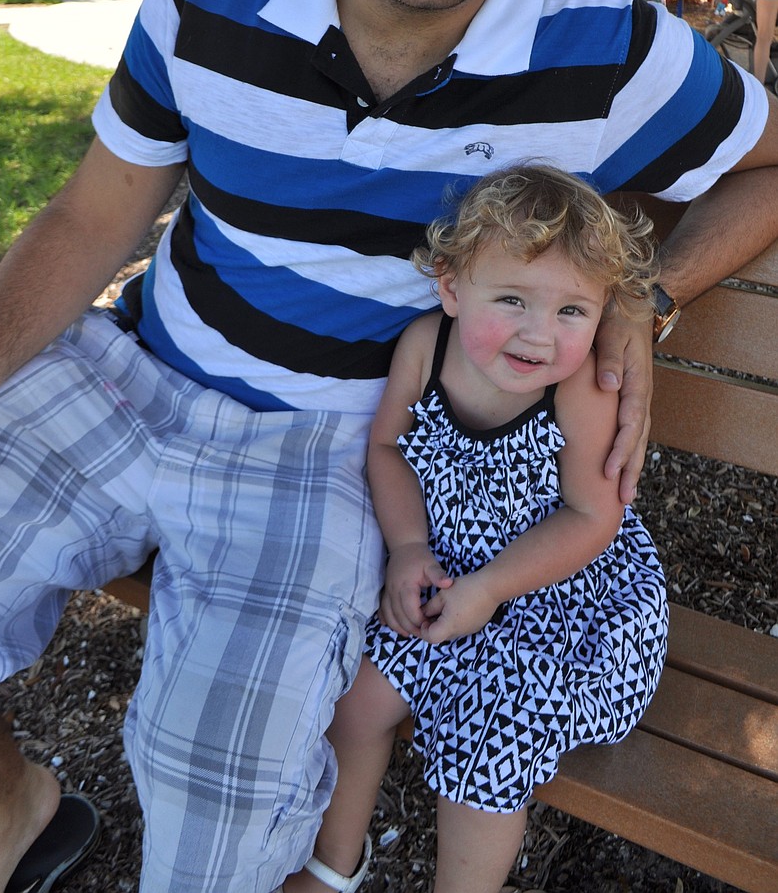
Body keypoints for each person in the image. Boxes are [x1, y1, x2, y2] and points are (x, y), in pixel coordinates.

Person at [0, 0, 777, 893]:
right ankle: (10, 811)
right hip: (129, 371)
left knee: (214, 822)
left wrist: (646, 295)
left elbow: (768, 163)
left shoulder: (611, 51)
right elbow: (93, 209)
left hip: (333, 449)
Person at [284, 166, 667, 893]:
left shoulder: (579, 388)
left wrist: (492, 588)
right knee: (359, 694)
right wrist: (407, 548)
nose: (539, 334)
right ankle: (332, 868)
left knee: (490, 732)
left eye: (572, 311)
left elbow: (594, 518)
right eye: (513, 299)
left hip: (567, 606)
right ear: (452, 286)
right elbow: (388, 448)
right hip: (449, 570)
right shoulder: (426, 349)